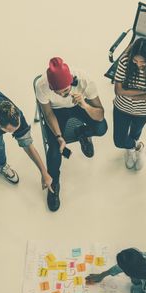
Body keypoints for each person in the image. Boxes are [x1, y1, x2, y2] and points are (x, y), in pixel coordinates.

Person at [36, 57, 107, 211]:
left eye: (66, 91)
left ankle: (82, 132)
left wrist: (85, 105)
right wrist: (59, 137)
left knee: (101, 128)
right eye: (58, 92)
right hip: (56, 112)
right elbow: (48, 114)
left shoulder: (85, 80)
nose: (63, 95)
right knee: (54, 151)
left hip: (79, 105)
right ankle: (53, 183)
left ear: (72, 82)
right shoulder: (41, 86)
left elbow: (100, 115)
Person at [113, 37, 146, 170]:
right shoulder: (125, 61)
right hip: (122, 108)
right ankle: (138, 147)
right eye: (135, 61)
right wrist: (143, 92)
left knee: (135, 133)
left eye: (143, 62)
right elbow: (118, 91)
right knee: (119, 141)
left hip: (144, 111)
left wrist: (129, 92)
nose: (138, 64)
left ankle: (130, 149)